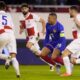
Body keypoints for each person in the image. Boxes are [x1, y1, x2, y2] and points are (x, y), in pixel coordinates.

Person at [20, 3, 63, 72]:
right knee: (40, 55)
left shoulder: (32, 15)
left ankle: (54, 62)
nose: (24, 10)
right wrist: (21, 29)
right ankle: (53, 64)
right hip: (28, 37)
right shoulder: (21, 18)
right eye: (23, 9)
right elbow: (23, 27)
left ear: (28, 9)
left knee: (28, 45)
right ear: (21, 10)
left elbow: (43, 21)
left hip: (34, 35)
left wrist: (43, 31)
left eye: (25, 8)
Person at [0, 1, 20, 78]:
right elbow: (13, 26)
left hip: (2, 33)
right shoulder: (9, 15)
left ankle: (7, 57)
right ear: (5, 8)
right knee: (14, 56)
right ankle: (18, 74)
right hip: (11, 34)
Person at [61, 6, 80, 77]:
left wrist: (76, 20)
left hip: (78, 40)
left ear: (72, 11)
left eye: (69, 11)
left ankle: (68, 73)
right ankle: (69, 72)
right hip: (78, 41)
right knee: (73, 61)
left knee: (64, 54)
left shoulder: (77, 17)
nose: (68, 12)